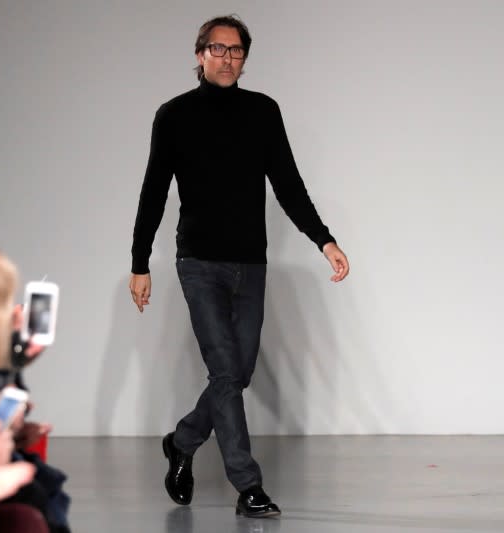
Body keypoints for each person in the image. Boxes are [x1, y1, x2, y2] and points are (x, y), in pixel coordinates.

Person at [128, 15, 350, 518]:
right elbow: (154, 191)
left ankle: (182, 442)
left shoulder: (263, 112)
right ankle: (248, 485)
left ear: (244, 58)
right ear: (200, 53)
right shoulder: (175, 115)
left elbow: (288, 184)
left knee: (237, 371)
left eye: (236, 51)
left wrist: (324, 239)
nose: (227, 59)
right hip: (199, 262)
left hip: (251, 262)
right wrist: (140, 261)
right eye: (217, 49)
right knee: (226, 369)